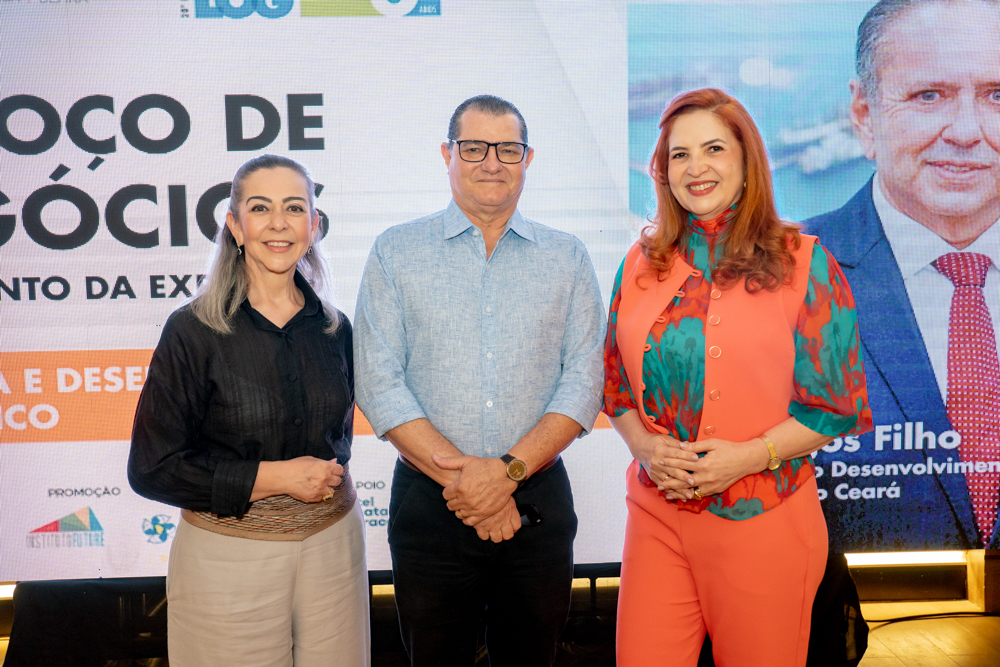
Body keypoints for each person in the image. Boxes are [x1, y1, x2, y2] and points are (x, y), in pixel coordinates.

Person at [605, 88, 872, 667]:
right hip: (657, 515)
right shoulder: (640, 263)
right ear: (663, 171)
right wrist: (645, 447)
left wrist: (748, 457)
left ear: (747, 162)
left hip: (765, 519)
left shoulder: (804, 261)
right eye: (679, 154)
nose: (695, 167)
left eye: (714, 149)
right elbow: (615, 388)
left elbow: (836, 407)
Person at [354, 95, 605, 667]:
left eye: (508, 149)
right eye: (473, 148)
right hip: (429, 503)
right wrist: (473, 485)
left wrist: (507, 473)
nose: (492, 162)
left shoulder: (567, 257)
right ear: (447, 154)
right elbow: (377, 380)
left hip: (537, 498)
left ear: (528, 158)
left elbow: (585, 378)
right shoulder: (396, 251)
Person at [128, 154, 369, 666]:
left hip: (335, 548)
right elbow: (152, 469)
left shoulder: (335, 329)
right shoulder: (193, 331)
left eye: (294, 208)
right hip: (227, 557)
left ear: (314, 226)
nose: (279, 223)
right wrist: (274, 477)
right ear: (235, 226)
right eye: (260, 208)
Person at [805, 0, 1000, 550]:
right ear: (864, 114)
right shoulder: (775, 273)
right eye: (929, 95)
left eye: (998, 96)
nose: (966, 131)